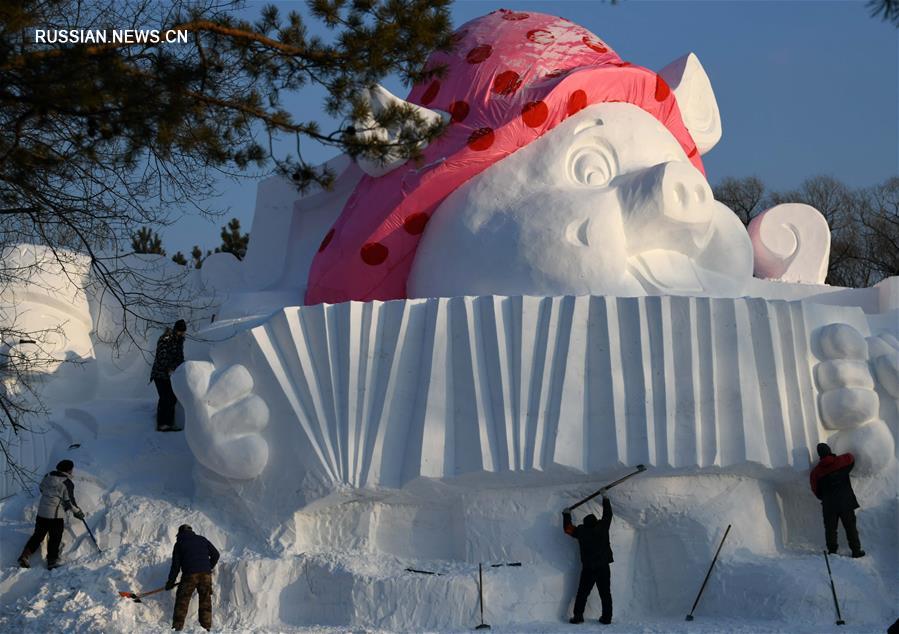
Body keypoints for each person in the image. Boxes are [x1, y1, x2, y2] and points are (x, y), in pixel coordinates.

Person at [18, 459, 84, 569]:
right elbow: (70, 501)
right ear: (68, 470)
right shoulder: (67, 483)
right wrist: (77, 512)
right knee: (55, 538)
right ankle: (52, 562)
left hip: (42, 514)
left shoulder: (47, 476)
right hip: (55, 516)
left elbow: (41, 489)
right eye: (71, 469)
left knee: (37, 536)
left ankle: (24, 556)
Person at [563, 489, 613, 625]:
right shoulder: (602, 527)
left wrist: (566, 514)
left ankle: (578, 616)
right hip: (603, 567)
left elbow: (567, 529)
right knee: (605, 593)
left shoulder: (581, 532)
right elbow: (608, 515)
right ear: (596, 522)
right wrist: (605, 498)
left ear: (585, 524)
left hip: (589, 569)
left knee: (582, 593)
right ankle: (606, 618)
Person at [810, 442, 865, 558]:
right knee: (850, 527)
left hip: (829, 505)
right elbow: (851, 458)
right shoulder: (841, 461)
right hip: (846, 502)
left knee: (830, 529)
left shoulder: (816, 472)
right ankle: (856, 551)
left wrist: (824, 496)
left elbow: (815, 489)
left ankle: (832, 552)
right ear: (829, 450)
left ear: (819, 455)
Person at [166, 524, 220, 632]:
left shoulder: (179, 544)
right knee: (205, 600)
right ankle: (206, 627)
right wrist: (208, 567)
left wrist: (170, 582)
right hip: (205, 575)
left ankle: (177, 628)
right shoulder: (202, 539)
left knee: (182, 600)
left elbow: (175, 566)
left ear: (180, 533)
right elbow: (216, 554)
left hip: (189, 575)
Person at [150, 319, 187, 431]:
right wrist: (169, 368)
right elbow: (162, 356)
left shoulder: (179, 340)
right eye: (180, 331)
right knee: (165, 398)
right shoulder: (165, 339)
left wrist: (180, 367)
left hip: (171, 374)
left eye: (183, 331)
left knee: (172, 398)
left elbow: (180, 357)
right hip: (160, 374)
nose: (182, 333)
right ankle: (162, 424)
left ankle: (169, 423)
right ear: (176, 329)